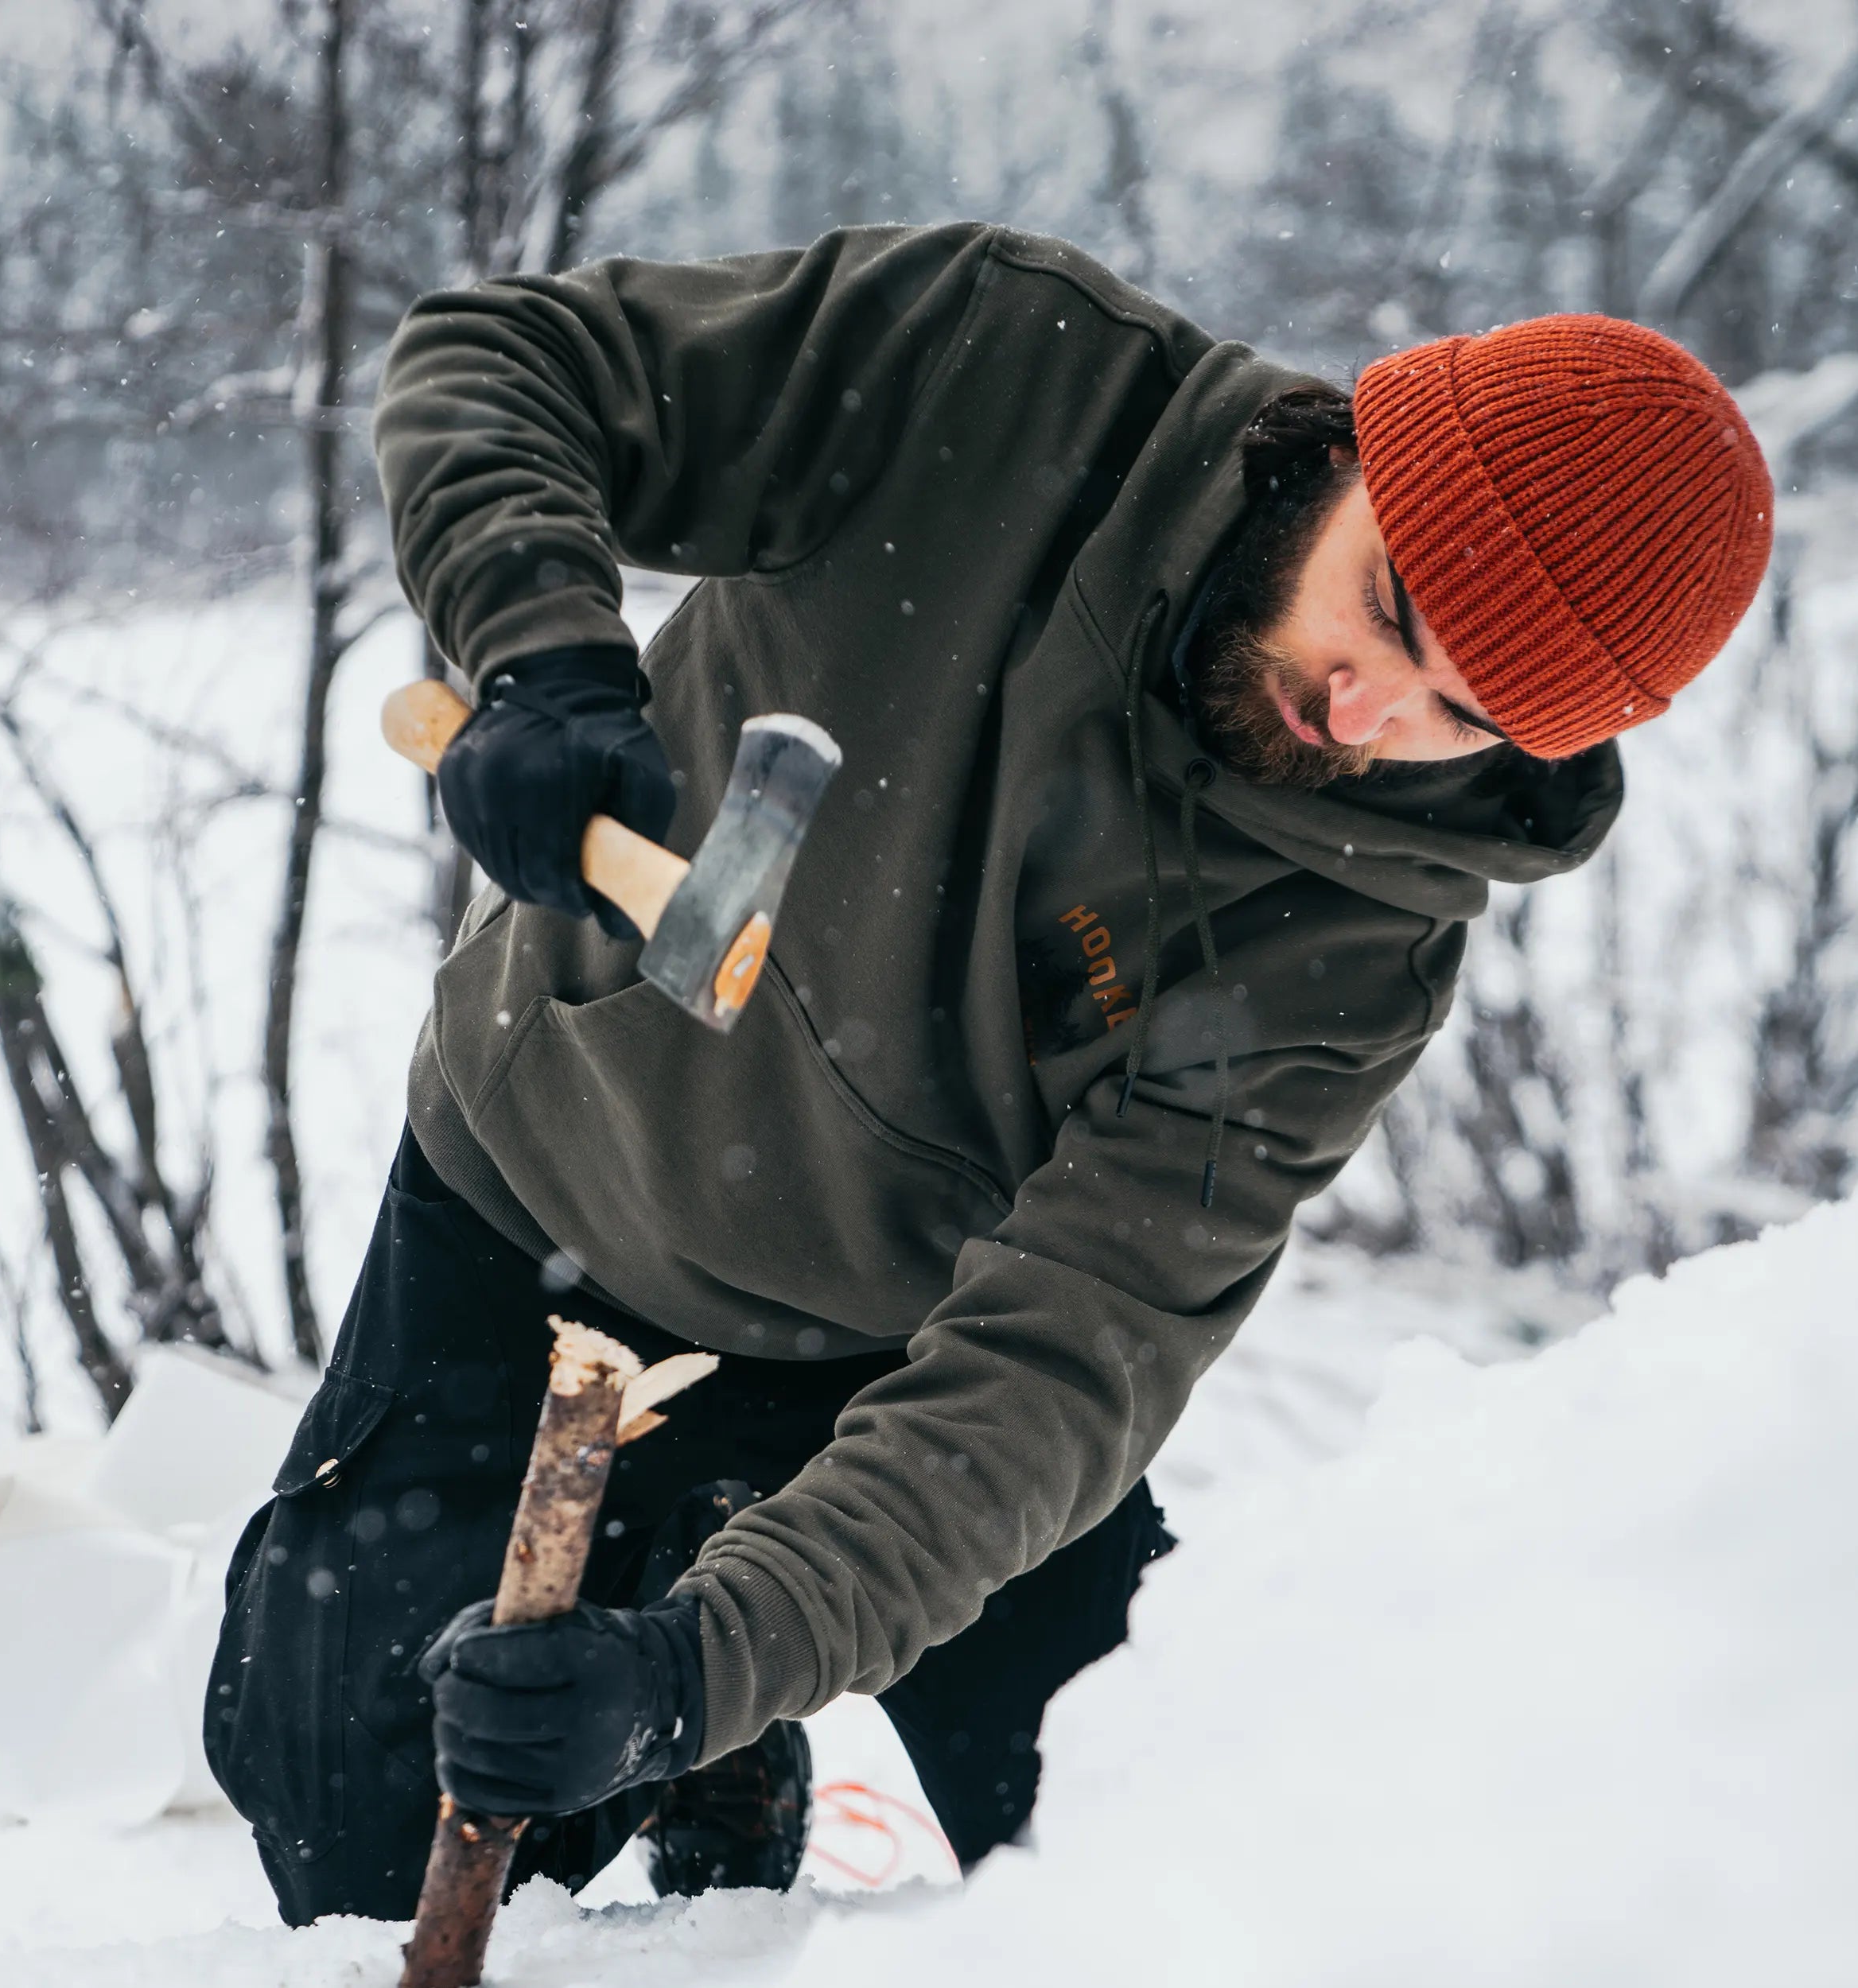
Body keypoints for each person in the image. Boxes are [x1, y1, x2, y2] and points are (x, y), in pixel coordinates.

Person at [205, 223, 1772, 1924]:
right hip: (554, 1199)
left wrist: (690, 1668)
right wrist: (539, 652)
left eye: (1456, 715)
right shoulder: (995, 371)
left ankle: (732, 1691)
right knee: (363, 1829)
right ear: (1351, 448)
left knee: (1167, 1854)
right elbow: (504, 357)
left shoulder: (1349, 939)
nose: (1362, 707)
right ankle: (703, 1730)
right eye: (1388, 607)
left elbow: (1060, 1356)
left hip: (917, 1352)